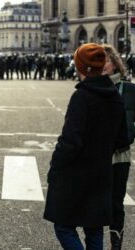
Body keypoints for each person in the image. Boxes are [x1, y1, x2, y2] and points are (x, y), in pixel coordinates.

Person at [43, 43, 128, 250]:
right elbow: (122, 139)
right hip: (101, 173)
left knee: (63, 227)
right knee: (94, 228)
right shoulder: (115, 96)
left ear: (80, 67)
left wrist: (56, 166)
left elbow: (70, 141)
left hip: (76, 174)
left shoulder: (82, 97)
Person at [102, 44, 135, 250]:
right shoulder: (92, 89)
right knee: (95, 203)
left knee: (116, 204)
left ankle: (116, 245)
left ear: (115, 63)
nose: (103, 65)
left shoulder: (129, 90)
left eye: (106, 60)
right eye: (98, 61)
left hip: (120, 157)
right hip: (97, 158)